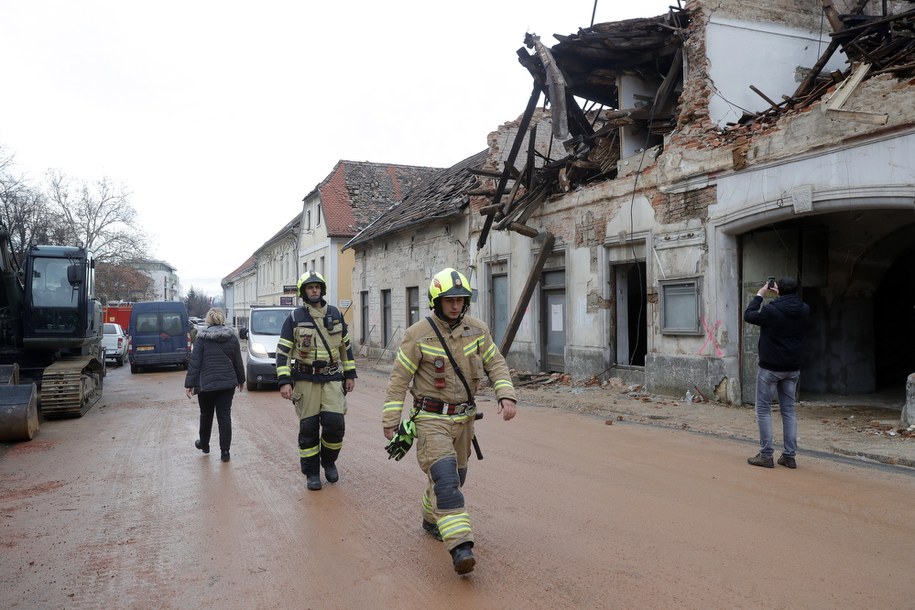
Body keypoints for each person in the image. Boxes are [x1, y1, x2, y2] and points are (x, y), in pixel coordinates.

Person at [383, 267, 517, 575]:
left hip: (464, 421)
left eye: (460, 299)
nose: (455, 305)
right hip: (431, 419)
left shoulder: (477, 330)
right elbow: (399, 379)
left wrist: (505, 394)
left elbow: (495, 362)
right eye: (449, 300)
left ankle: (432, 518)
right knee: (445, 479)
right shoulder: (417, 335)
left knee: (455, 479)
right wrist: (391, 418)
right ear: (436, 301)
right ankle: (461, 547)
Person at [276, 271, 357, 491]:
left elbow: (345, 349)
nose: (314, 290)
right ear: (304, 291)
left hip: (332, 378)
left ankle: (329, 462)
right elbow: (282, 353)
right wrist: (284, 381)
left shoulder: (336, 315)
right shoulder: (294, 318)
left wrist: (350, 374)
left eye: (317, 287)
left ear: (322, 289)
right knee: (309, 428)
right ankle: (311, 472)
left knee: (335, 425)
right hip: (305, 379)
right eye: (310, 287)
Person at [743, 276, 810, 469]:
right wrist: (781, 294)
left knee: (763, 410)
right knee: (788, 411)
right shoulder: (805, 309)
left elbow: (749, 315)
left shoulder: (771, 310)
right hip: (792, 368)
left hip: (770, 367)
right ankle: (789, 456)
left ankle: (766, 455)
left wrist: (760, 294)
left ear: (777, 289)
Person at [184, 307, 245, 462]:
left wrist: (190, 384)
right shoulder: (232, 337)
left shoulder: (202, 338)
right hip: (227, 385)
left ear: (208, 321)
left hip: (206, 385)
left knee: (206, 415)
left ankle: (204, 444)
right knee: (224, 416)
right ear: (222, 319)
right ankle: (225, 452)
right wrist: (241, 379)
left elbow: (195, 363)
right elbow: (238, 360)